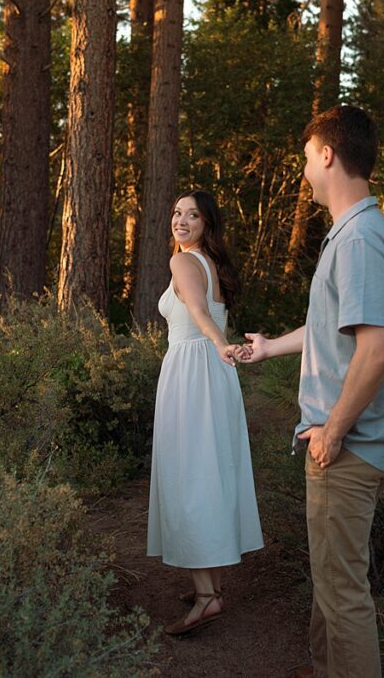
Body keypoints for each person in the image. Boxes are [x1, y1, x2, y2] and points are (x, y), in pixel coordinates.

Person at [239, 106, 384, 677]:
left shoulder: (360, 239)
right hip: (345, 441)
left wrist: (332, 430)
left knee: (343, 594)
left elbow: (377, 352)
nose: (304, 171)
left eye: (306, 157)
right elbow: (333, 330)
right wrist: (269, 347)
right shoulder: (354, 233)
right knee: (330, 581)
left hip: (350, 445)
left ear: (327, 154)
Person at [146, 189, 264, 636]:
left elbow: (196, 311)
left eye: (192, 215)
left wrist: (219, 344)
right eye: (177, 212)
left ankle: (207, 597)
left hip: (193, 371)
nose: (181, 220)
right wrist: (223, 349)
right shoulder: (210, 264)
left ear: (206, 225)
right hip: (212, 373)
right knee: (208, 473)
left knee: (187, 476)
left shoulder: (183, 262)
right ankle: (209, 584)